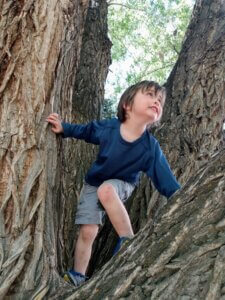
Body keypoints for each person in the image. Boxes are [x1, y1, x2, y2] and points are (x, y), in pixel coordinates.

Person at [46, 80, 181, 287]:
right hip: (93, 183)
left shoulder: (149, 147)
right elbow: (86, 131)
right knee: (88, 230)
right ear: (127, 104)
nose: (156, 101)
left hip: (122, 184)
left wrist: (180, 197)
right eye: (150, 95)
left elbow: (165, 179)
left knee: (107, 190)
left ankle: (128, 241)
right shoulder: (109, 128)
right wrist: (64, 128)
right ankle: (77, 275)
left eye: (160, 100)